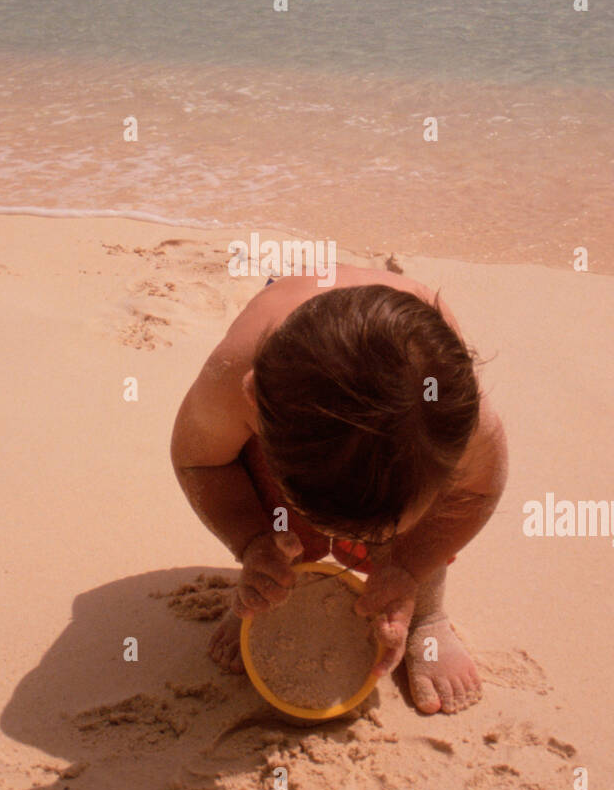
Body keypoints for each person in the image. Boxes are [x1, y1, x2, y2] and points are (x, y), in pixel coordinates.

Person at [171, 267, 508, 715]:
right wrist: (251, 541)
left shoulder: (458, 415)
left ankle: (427, 612)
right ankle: (269, 577)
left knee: (417, 501)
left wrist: (409, 569)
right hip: (292, 331)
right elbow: (200, 461)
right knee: (283, 522)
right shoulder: (232, 378)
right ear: (254, 399)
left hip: (413, 366)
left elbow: (477, 494)